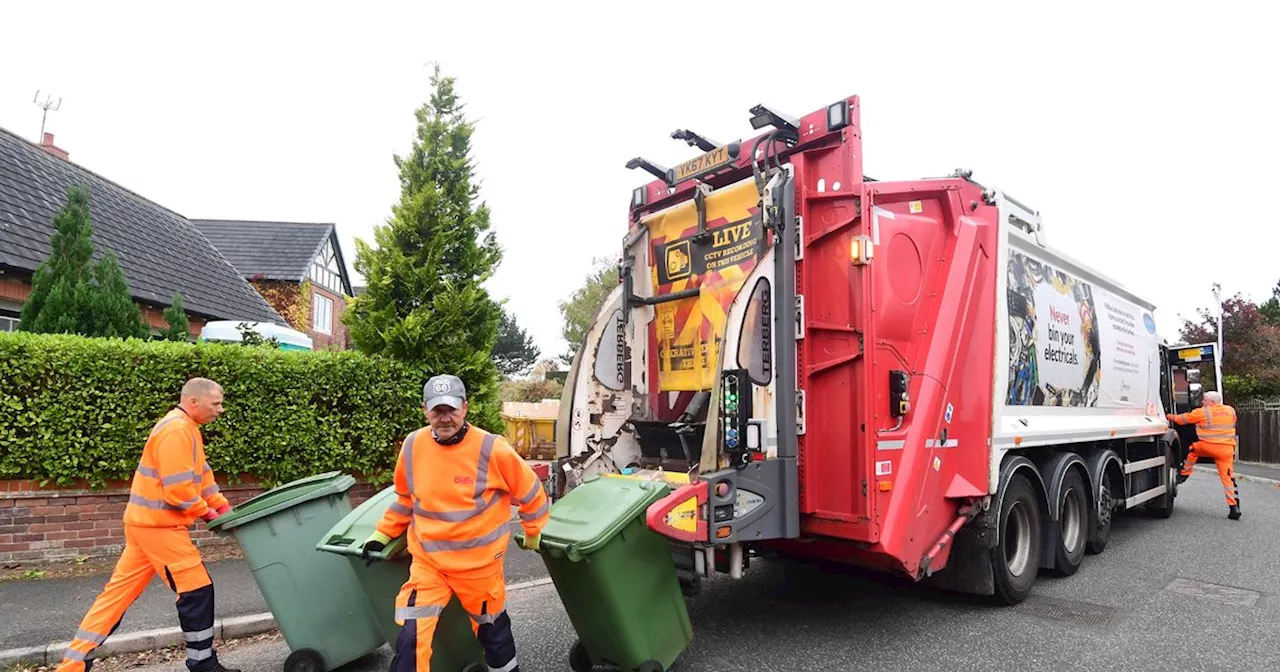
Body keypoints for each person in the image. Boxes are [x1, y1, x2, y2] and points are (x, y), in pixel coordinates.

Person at [362, 374, 550, 672]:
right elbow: (405, 499)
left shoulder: (492, 449)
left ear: (465, 407)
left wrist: (534, 533)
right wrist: (382, 535)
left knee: (494, 635)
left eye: (451, 409)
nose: (444, 418)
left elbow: (532, 494)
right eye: (437, 411)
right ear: (425, 410)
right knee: (411, 638)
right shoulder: (413, 445)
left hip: (479, 568)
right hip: (429, 566)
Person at [55, 378, 238, 672]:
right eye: (215, 403)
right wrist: (209, 514)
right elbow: (177, 491)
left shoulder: (188, 429)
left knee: (116, 596)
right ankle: (203, 664)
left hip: (147, 527)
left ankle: (72, 665)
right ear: (193, 402)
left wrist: (223, 507)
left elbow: (203, 479)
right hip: (160, 528)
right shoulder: (176, 430)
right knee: (197, 590)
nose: (220, 409)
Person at [1168, 390, 1241, 520]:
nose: (1202, 402)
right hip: (1227, 450)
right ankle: (1234, 507)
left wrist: (1168, 416)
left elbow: (1181, 420)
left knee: (1192, 450)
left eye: (1204, 400)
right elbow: (1232, 421)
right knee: (1228, 478)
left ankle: (1184, 474)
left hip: (1207, 447)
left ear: (1211, 402)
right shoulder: (1230, 410)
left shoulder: (1202, 412)